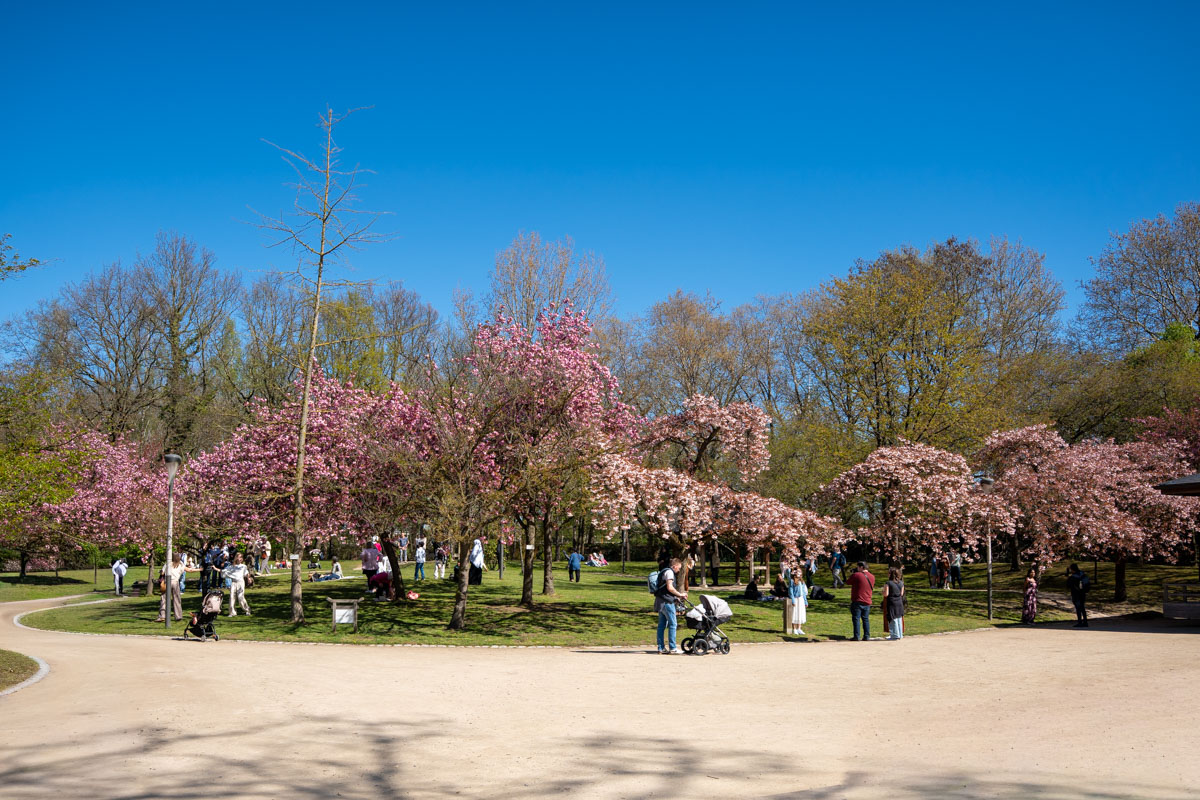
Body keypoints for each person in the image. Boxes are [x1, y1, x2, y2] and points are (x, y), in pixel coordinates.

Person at [655, 557, 688, 654]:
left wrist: (676, 597)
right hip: (667, 602)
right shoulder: (669, 573)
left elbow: (666, 589)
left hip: (660, 601)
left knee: (661, 625)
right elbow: (670, 587)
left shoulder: (663, 571)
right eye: (678, 568)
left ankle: (661, 648)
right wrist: (680, 594)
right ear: (674, 566)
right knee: (673, 624)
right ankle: (673, 648)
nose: (678, 570)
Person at [155, 554, 199, 622]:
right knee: (177, 600)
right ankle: (178, 616)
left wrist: (161, 572)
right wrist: (199, 569)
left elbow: (162, 573)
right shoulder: (181, 564)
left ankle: (162, 616)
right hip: (175, 582)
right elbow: (189, 570)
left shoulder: (168, 563)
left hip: (168, 582)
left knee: (164, 599)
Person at [848, 562, 876, 641]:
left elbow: (848, 582)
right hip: (867, 600)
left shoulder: (856, 575)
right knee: (865, 619)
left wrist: (853, 574)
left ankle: (857, 636)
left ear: (861, 567)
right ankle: (866, 636)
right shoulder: (872, 576)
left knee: (856, 618)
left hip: (857, 599)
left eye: (858, 567)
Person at [222, 552, 252, 616]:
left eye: (241, 557)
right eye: (239, 557)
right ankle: (232, 612)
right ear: (236, 558)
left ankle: (247, 609)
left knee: (240, 597)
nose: (240, 558)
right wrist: (216, 568)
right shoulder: (232, 567)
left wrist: (249, 578)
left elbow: (246, 573)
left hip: (241, 582)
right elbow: (224, 571)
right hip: (233, 582)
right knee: (232, 597)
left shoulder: (243, 566)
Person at [883, 567, 905, 640]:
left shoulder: (888, 583)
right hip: (899, 602)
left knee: (893, 618)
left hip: (892, 602)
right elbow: (901, 594)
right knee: (899, 618)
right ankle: (900, 634)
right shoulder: (901, 583)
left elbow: (886, 594)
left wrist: (883, 591)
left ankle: (894, 635)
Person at [786, 571, 808, 636]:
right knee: (794, 613)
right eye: (797, 572)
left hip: (801, 599)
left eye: (800, 572)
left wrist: (805, 601)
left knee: (800, 613)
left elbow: (803, 592)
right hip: (795, 599)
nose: (799, 573)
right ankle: (794, 629)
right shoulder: (792, 581)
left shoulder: (802, 581)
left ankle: (799, 628)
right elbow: (791, 591)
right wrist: (793, 600)